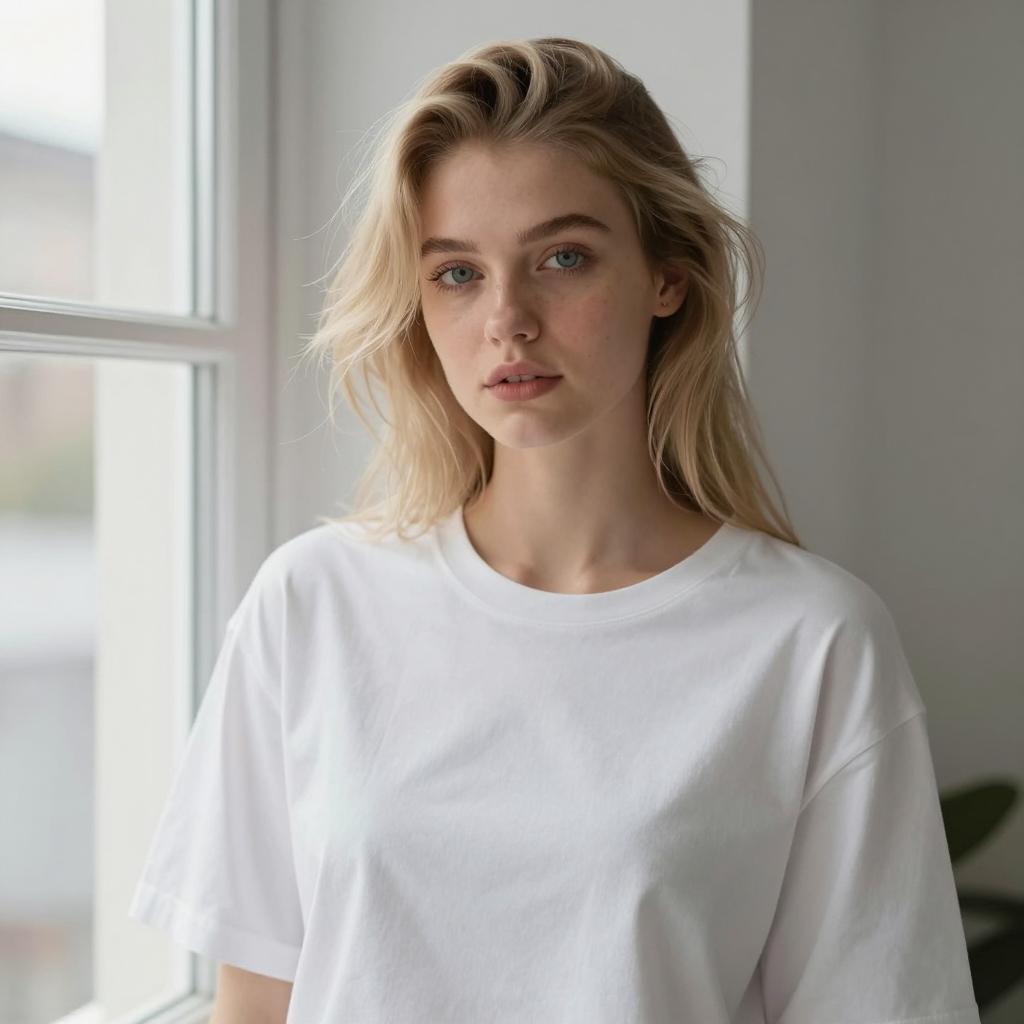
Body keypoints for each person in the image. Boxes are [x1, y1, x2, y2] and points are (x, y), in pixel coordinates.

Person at [128, 37, 981, 1024]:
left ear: (667, 277)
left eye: (563, 258)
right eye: (457, 273)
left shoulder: (811, 640)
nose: (508, 319)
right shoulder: (312, 602)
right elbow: (254, 1006)